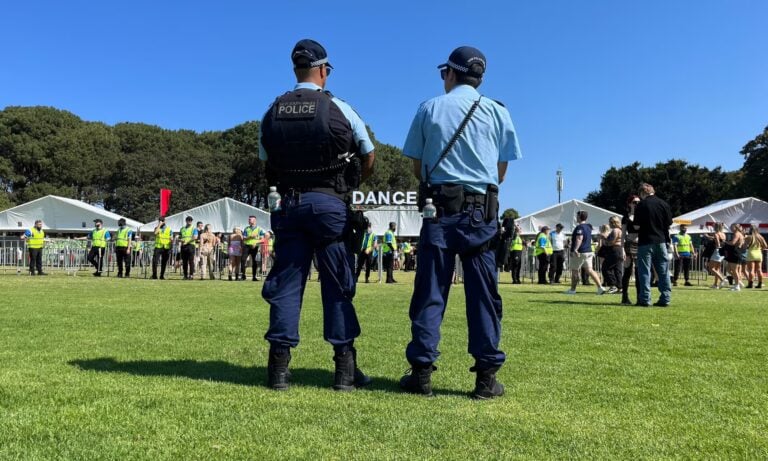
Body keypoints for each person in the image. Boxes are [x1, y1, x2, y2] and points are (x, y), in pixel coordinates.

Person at [399, 45, 521, 399]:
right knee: (483, 294)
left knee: (431, 292)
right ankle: (486, 378)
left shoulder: (430, 107)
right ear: (480, 78)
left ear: (449, 73)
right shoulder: (498, 111)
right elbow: (501, 169)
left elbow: (416, 165)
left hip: (439, 210)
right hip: (482, 211)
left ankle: (421, 373)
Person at [258, 39, 376, 391]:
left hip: (290, 207)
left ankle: (278, 370)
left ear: (295, 69)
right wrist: (350, 184)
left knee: (286, 286)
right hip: (329, 206)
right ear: (324, 70)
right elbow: (368, 154)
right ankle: (344, 371)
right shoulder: (339, 107)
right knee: (337, 284)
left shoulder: (272, 110)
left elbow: (265, 162)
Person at [631, 183, 673, 306]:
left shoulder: (641, 205)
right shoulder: (663, 204)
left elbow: (636, 226)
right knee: (663, 270)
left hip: (645, 241)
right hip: (661, 241)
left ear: (642, 193)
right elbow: (669, 223)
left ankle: (645, 299)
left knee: (645, 271)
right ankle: (665, 298)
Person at [565, 211, 606, 295]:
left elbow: (579, 238)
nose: (576, 217)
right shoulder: (588, 227)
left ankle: (572, 290)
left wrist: (575, 249)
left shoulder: (580, 227)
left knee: (575, 270)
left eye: (577, 216)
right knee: (590, 270)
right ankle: (600, 287)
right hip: (589, 251)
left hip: (580, 252)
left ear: (579, 217)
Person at [620, 195, 640, 304]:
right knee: (627, 271)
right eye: (634, 202)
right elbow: (623, 234)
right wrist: (622, 248)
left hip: (640, 244)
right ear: (630, 204)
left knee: (638, 272)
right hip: (629, 244)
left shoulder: (642, 216)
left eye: (638, 202)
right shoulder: (626, 217)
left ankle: (639, 297)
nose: (636, 204)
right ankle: (624, 297)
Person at [601, 216, 624, 294]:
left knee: (605, 268)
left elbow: (611, 242)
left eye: (610, 222)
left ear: (613, 223)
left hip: (614, 250)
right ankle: (620, 287)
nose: (609, 223)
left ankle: (612, 285)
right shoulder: (621, 230)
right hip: (619, 250)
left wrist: (604, 238)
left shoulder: (615, 230)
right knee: (618, 270)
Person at [702, 222, 727, 289]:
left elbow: (718, 242)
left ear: (716, 227)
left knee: (711, 268)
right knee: (717, 269)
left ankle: (723, 279)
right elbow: (718, 239)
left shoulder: (716, 234)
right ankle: (715, 285)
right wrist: (709, 237)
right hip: (722, 252)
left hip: (717, 251)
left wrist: (716, 245)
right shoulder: (723, 234)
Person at [723, 223, 746, 291]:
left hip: (735, 253)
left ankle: (737, 285)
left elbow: (733, 243)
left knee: (734, 270)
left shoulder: (737, 234)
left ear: (735, 227)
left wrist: (725, 242)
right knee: (728, 269)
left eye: (732, 227)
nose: (730, 228)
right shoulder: (740, 234)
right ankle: (738, 282)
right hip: (736, 253)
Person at [242, 216, 264, 281]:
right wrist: (250, 237)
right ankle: (243, 276)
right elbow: (244, 238)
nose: (248, 221)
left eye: (250, 220)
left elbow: (262, 239)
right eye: (248, 220)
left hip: (255, 247)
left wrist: (256, 243)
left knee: (255, 261)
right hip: (247, 246)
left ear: (254, 220)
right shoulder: (246, 228)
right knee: (243, 260)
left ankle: (254, 277)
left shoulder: (259, 229)